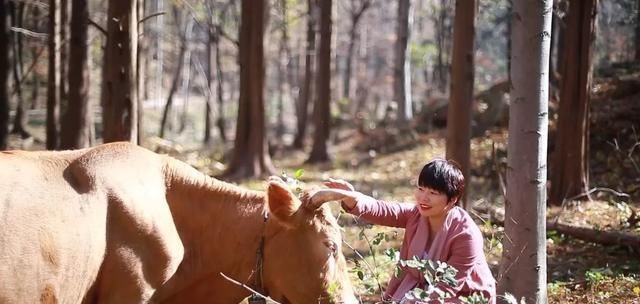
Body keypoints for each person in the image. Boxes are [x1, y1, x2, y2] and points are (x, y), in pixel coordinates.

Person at [323, 159, 496, 303]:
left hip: (463, 296)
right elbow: (383, 210)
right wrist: (354, 199)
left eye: (433, 193)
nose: (423, 198)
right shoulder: (416, 215)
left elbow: (448, 287)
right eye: (421, 189)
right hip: (420, 290)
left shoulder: (465, 236)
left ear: (452, 200)